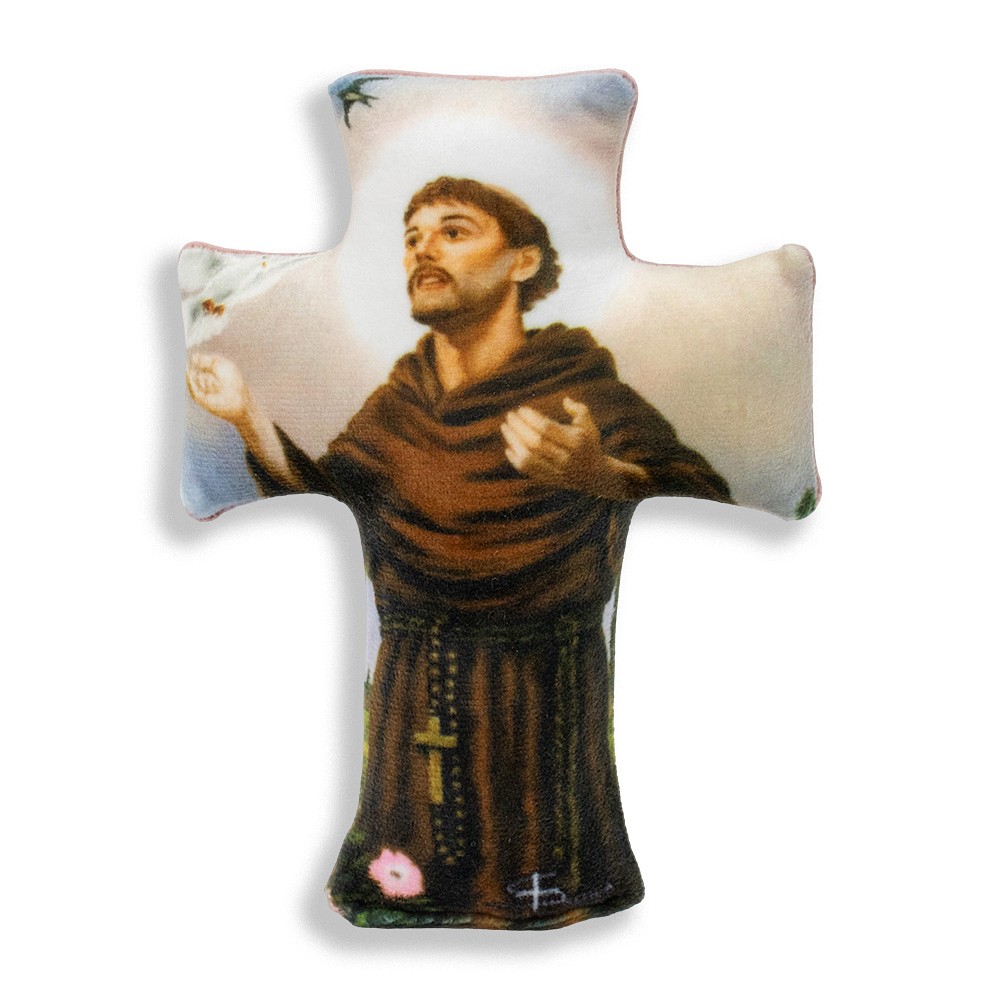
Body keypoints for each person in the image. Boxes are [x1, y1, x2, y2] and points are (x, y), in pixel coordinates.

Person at [186, 176, 732, 928]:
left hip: (541, 698)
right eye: (412, 238)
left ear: (522, 262)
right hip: (413, 691)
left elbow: (695, 484)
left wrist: (601, 474)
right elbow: (336, 489)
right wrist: (247, 415)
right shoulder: (400, 403)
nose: (423, 251)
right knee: (411, 872)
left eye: (454, 230)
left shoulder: (582, 392)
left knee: (542, 869)